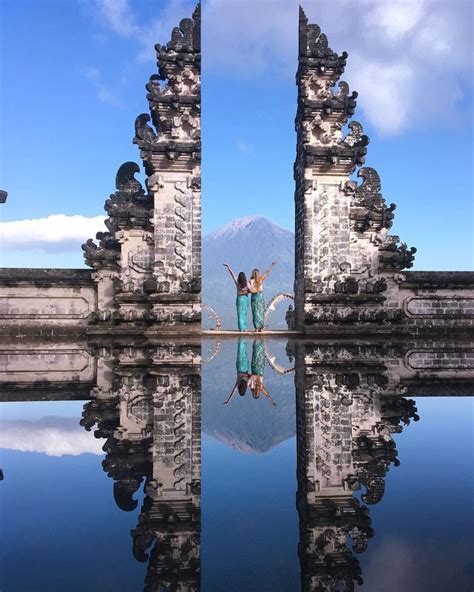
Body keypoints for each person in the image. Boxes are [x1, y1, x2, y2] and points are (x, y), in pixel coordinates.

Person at [248, 261, 277, 332]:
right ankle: (260, 327)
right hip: (260, 296)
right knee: (261, 312)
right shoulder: (260, 279)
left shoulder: (250, 281)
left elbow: (249, 290)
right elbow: (267, 272)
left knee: (255, 312)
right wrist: (272, 265)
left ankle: (257, 328)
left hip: (254, 297)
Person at [248, 338, 276, 405]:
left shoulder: (260, 387)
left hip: (260, 369)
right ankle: (257, 338)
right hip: (254, 368)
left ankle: (261, 339)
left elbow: (267, 394)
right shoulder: (251, 386)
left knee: (260, 354)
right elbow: (247, 377)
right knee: (255, 353)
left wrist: (272, 401)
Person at [223, 337, 250, 404]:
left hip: (246, 368)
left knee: (244, 353)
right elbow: (233, 392)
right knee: (240, 352)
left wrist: (228, 400)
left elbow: (251, 376)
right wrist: (228, 400)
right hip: (240, 368)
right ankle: (241, 339)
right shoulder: (238, 384)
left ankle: (244, 339)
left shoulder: (247, 382)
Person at [223, 263, 250, 332]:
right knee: (244, 313)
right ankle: (244, 328)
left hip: (239, 298)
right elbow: (251, 291)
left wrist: (228, 267)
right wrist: (245, 292)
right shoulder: (247, 283)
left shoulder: (237, 282)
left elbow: (232, 274)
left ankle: (241, 329)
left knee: (240, 314)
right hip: (245, 298)